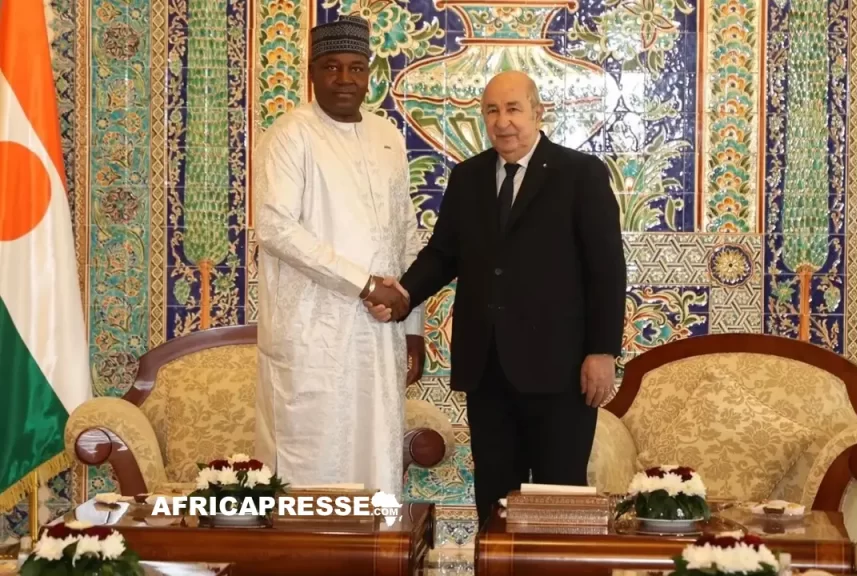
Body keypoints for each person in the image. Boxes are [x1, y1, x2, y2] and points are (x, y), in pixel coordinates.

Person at [369, 71, 626, 525]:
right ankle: (494, 560)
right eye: (492, 110)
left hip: (560, 372)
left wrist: (602, 351)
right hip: (487, 370)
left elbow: (606, 269)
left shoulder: (580, 174)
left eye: (513, 109)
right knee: (493, 498)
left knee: (558, 500)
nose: (502, 121)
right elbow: (443, 254)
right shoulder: (468, 177)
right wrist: (403, 295)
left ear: (538, 113)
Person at [251, 15, 425, 497]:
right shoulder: (290, 135)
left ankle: (375, 544)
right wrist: (364, 284)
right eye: (331, 67)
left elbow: (405, 234)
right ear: (311, 73)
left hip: (380, 335)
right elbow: (275, 227)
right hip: (311, 335)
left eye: (356, 68)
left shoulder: (387, 136)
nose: (345, 79)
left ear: (369, 75)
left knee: (375, 460)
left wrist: (412, 326)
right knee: (310, 461)